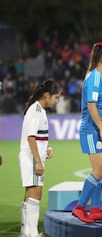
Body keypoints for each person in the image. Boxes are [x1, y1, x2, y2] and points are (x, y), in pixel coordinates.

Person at [72, 42, 102, 223]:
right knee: (97, 171)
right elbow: (91, 106)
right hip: (92, 131)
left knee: (101, 171)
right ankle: (80, 207)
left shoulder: (99, 78)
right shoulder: (95, 78)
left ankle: (96, 209)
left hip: (100, 130)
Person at [19, 79, 61, 237]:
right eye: (56, 97)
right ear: (47, 95)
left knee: (29, 193)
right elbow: (31, 137)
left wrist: (46, 148)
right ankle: (32, 233)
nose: (57, 101)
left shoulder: (38, 110)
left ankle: (25, 231)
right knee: (36, 194)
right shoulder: (36, 111)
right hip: (32, 158)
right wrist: (38, 160)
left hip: (30, 155)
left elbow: (37, 136)